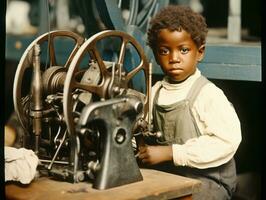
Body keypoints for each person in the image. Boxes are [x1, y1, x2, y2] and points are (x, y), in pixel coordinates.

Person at [138, 5, 242, 200]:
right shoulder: (155, 93)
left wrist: (171, 152)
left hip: (209, 181)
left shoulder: (208, 95)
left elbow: (227, 141)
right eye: (164, 51)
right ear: (155, 54)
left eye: (183, 50)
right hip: (171, 177)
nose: (174, 58)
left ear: (200, 52)